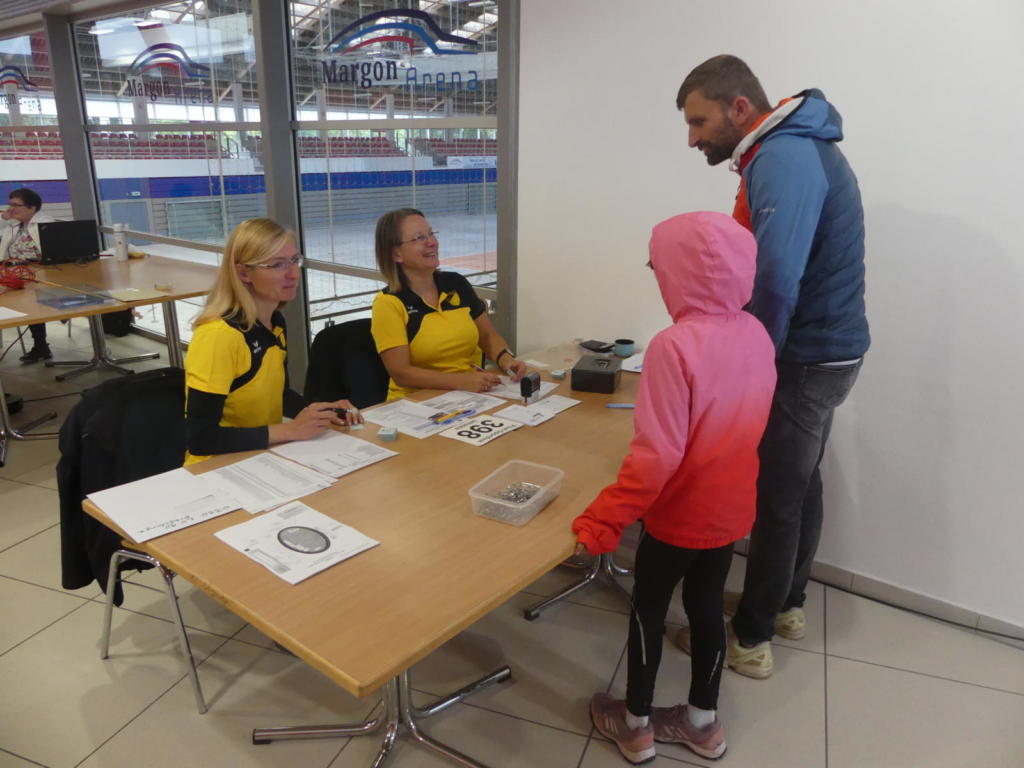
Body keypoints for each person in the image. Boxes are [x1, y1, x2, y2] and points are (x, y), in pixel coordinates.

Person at [674, 55, 870, 679]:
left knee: (778, 495)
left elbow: (777, 278)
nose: (692, 139)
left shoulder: (782, 157)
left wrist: (746, 362)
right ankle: (785, 605)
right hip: (829, 350)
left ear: (738, 108)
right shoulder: (791, 147)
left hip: (805, 356)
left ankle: (751, 638)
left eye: (699, 122)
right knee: (801, 484)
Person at [575, 212, 776, 764]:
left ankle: (635, 725)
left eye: (656, 266)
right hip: (731, 507)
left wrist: (607, 516)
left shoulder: (673, 345)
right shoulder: (756, 333)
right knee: (707, 608)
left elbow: (657, 455)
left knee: (648, 609)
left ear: (677, 272)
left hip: (680, 515)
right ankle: (702, 724)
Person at [183, 217, 362, 466]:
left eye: (294, 260)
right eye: (277, 265)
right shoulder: (218, 337)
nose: (293, 274)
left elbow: (280, 395)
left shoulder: (274, 322)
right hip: (215, 466)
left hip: (259, 455)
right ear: (243, 272)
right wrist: (290, 430)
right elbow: (201, 438)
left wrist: (323, 411)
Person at [370, 207, 526, 401]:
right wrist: (461, 381)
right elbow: (401, 373)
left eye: (431, 234)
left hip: (468, 394)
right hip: (416, 401)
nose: (432, 242)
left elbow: (487, 336)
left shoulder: (456, 284)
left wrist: (506, 359)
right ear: (396, 255)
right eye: (419, 238)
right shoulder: (388, 304)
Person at [1, 187, 55, 362]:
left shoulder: (46, 224)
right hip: (15, 273)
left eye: (16, 205)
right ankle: (40, 346)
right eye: (10, 205)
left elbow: (53, 253)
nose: (11, 209)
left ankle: (41, 345)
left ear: (32, 208)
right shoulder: (13, 226)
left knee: (30, 301)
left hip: (40, 275)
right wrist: (4, 218)